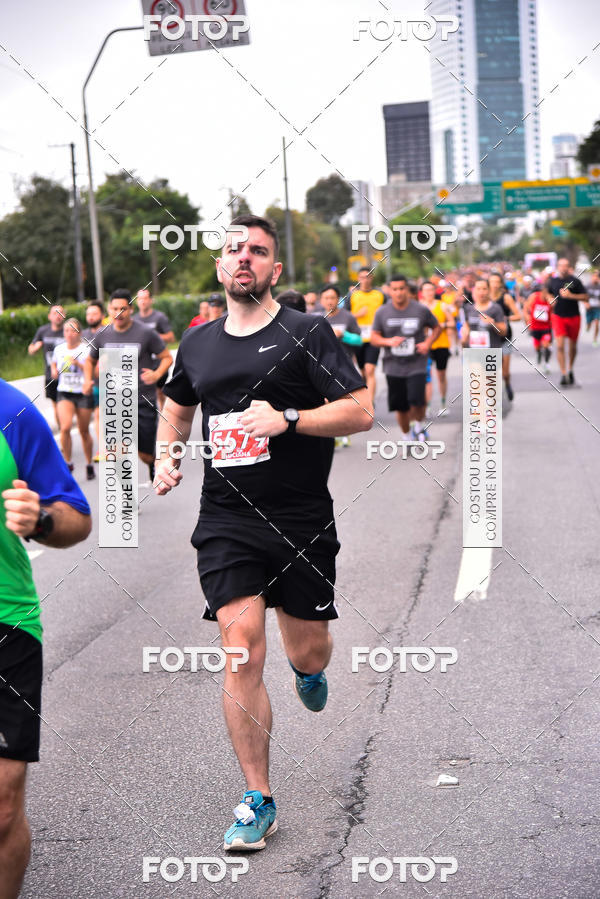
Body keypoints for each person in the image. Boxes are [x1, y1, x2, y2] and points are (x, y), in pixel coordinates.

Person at [154, 214, 372, 852]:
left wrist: (290, 417)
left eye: (257, 251)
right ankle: (258, 797)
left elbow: (360, 410)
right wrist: (168, 453)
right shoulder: (196, 343)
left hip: (302, 519)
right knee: (242, 650)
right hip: (227, 518)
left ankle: (309, 673)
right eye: (232, 250)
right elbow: (176, 407)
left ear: (274, 270)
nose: (243, 258)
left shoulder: (307, 332)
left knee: (308, 652)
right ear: (219, 268)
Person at [0, 378, 91, 899]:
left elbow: (77, 516)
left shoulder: (11, 410)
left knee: (4, 806)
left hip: (6, 623)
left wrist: (41, 520)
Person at [83, 289, 173, 483]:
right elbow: (90, 361)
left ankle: (151, 463)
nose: (118, 313)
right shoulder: (103, 334)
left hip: (143, 401)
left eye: (123, 308)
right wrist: (87, 380)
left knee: (145, 454)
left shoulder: (146, 333)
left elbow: (167, 357)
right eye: (114, 308)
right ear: (109, 310)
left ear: (130, 309)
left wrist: (157, 374)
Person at [370, 273, 441, 442]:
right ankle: (406, 436)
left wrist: (428, 343)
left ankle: (418, 425)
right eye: (395, 289)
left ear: (407, 290)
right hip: (393, 366)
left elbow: (437, 327)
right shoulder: (382, 312)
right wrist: (388, 341)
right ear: (390, 291)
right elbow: (374, 338)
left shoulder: (420, 310)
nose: (399, 292)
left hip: (417, 363)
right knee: (401, 407)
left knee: (418, 401)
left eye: (402, 288)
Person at [50, 318, 95, 480]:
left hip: (82, 393)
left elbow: (94, 372)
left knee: (83, 431)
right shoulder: (59, 349)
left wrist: (79, 364)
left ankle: (89, 464)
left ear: (79, 333)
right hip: (65, 392)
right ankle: (67, 463)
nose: (69, 334)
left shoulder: (87, 350)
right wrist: (54, 371)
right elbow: (54, 364)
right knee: (65, 427)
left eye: (73, 331)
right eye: (66, 331)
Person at [319, 285, 362, 448]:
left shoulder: (348, 317)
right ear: (321, 300)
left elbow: (359, 340)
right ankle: (334, 435)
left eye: (332, 298)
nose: (329, 301)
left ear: (338, 299)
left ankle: (345, 434)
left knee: (343, 402)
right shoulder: (316, 319)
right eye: (326, 298)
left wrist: (344, 335)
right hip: (323, 367)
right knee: (327, 402)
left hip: (345, 366)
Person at [547, 258, 588, 386]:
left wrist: (571, 296)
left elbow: (585, 296)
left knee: (572, 346)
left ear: (569, 267)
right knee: (559, 346)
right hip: (558, 316)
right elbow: (546, 293)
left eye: (566, 266)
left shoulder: (575, 281)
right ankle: (564, 373)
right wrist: (550, 299)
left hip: (574, 316)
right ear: (558, 267)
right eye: (561, 265)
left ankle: (570, 368)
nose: (563, 268)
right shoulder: (552, 281)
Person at [134, 289, 175, 410]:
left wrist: (152, 337)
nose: (143, 301)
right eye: (140, 299)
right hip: (142, 362)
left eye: (145, 298)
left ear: (150, 300)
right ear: (137, 301)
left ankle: (163, 415)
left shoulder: (159, 317)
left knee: (159, 392)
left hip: (158, 361)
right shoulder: (134, 319)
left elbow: (171, 337)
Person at [349, 267, 385, 406]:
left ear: (372, 278)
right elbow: (344, 316)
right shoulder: (353, 295)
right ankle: (366, 392)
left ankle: (369, 403)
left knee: (370, 369)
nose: (365, 280)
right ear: (358, 279)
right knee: (363, 371)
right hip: (357, 338)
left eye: (367, 277)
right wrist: (358, 315)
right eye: (362, 277)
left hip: (373, 337)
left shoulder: (379, 295)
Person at [420, 280, 455, 415]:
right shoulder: (419, 307)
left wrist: (441, 326)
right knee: (426, 376)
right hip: (426, 345)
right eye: (426, 290)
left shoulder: (442, 306)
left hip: (441, 345)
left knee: (441, 375)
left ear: (435, 291)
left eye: (431, 290)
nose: (429, 292)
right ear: (422, 292)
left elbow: (452, 322)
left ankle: (443, 403)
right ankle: (427, 406)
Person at [27, 305, 65, 428]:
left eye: (60, 313)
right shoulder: (43, 331)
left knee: (67, 405)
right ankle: (63, 431)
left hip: (68, 375)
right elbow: (31, 349)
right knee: (57, 406)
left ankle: (66, 428)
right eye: (55, 313)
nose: (58, 316)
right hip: (51, 376)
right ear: (49, 316)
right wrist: (35, 348)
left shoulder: (69, 330)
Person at [489, 272, 521, 402]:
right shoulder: (484, 299)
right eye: (492, 282)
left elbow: (518, 316)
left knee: (505, 372)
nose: (495, 285)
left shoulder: (506, 298)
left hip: (505, 338)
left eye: (497, 282)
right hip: (490, 338)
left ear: (501, 284)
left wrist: (506, 318)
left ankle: (507, 383)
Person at [81, 301, 105, 461]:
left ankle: (105, 448)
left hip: (108, 381)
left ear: (102, 315)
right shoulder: (83, 335)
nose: (91, 317)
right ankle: (103, 448)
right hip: (90, 382)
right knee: (97, 415)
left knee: (101, 414)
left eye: (94, 314)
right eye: (88, 314)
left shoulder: (108, 332)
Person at [460, 278, 507, 351]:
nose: (481, 292)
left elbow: (504, 332)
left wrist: (492, 323)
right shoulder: (468, 308)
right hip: (472, 352)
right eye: (478, 289)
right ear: (474, 291)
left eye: (484, 289)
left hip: (491, 354)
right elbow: (465, 329)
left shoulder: (496, 308)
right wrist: (463, 338)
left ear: (489, 290)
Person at [523, 283, 552, 373]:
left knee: (546, 345)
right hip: (535, 327)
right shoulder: (534, 297)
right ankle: (539, 353)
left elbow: (555, 309)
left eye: (546, 292)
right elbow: (526, 308)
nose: (544, 294)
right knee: (537, 347)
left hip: (546, 327)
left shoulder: (550, 299)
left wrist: (550, 301)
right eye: (543, 291)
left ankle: (546, 364)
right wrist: (527, 320)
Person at [585, 269, 600, 347]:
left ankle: (595, 339)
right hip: (589, 308)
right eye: (594, 276)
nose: (595, 278)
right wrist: (586, 303)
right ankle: (588, 326)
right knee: (589, 323)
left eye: (597, 277)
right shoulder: (587, 286)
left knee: (597, 323)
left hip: (597, 308)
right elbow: (583, 296)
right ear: (591, 277)